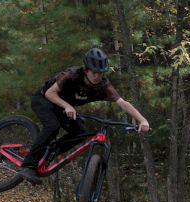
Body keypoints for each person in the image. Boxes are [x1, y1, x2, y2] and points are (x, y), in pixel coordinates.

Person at [19, 47, 150, 184]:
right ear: (86, 69)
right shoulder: (71, 75)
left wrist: (142, 120)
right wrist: (67, 106)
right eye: (94, 73)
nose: (97, 76)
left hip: (62, 108)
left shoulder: (103, 85)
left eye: (101, 73)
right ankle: (29, 166)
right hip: (44, 100)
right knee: (52, 126)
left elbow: (123, 103)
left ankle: (47, 153)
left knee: (81, 132)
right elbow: (49, 93)